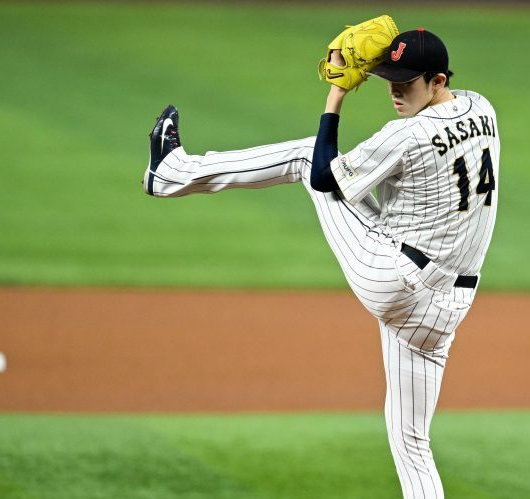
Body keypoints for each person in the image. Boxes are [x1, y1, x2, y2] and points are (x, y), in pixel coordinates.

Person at [143, 27, 499, 499]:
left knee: (304, 154)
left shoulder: (407, 135)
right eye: (388, 79)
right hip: (447, 310)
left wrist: (335, 96)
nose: (393, 90)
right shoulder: (483, 110)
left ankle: (170, 173)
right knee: (412, 443)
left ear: (436, 81)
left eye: (406, 82)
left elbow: (324, 177)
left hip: (395, 280)